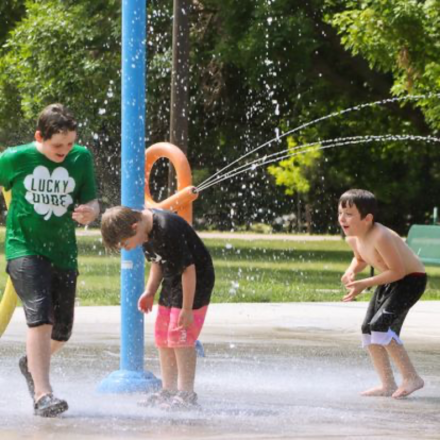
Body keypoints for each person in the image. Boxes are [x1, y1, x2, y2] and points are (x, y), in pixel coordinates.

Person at [0, 103, 99, 416]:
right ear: (39, 136)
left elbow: (92, 201)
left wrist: (90, 213)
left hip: (63, 252)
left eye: (70, 143)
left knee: (62, 330)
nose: (65, 151)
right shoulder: (15, 158)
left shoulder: (81, 158)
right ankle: (43, 395)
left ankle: (30, 364)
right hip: (23, 248)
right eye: (58, 145)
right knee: (39, 313)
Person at [101, 206, 215, 410]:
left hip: (195, 280)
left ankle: (187, 394)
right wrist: (150, 291)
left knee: (180, 335)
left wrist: (187, 309)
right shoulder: (146, 231)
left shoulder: (166, 229)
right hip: (174, 278)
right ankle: (168, 391)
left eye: (126, 244)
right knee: (163, 335)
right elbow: (157, 263)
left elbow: (189, 269)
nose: (127, 249)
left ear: (134, 227)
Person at [338, 189, 426, 399]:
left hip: (411, 279)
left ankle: (412, 377)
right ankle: (387, 384)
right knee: (367, 328)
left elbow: (398, 271)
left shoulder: (380, 235)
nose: (342, 218)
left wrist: (365, 283)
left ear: (367, 219)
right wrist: (351, 271)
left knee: (380, 326)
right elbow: (360, 259)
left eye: (349, 214)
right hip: (390, 279)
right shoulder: (353, 238)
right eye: (340, 212)